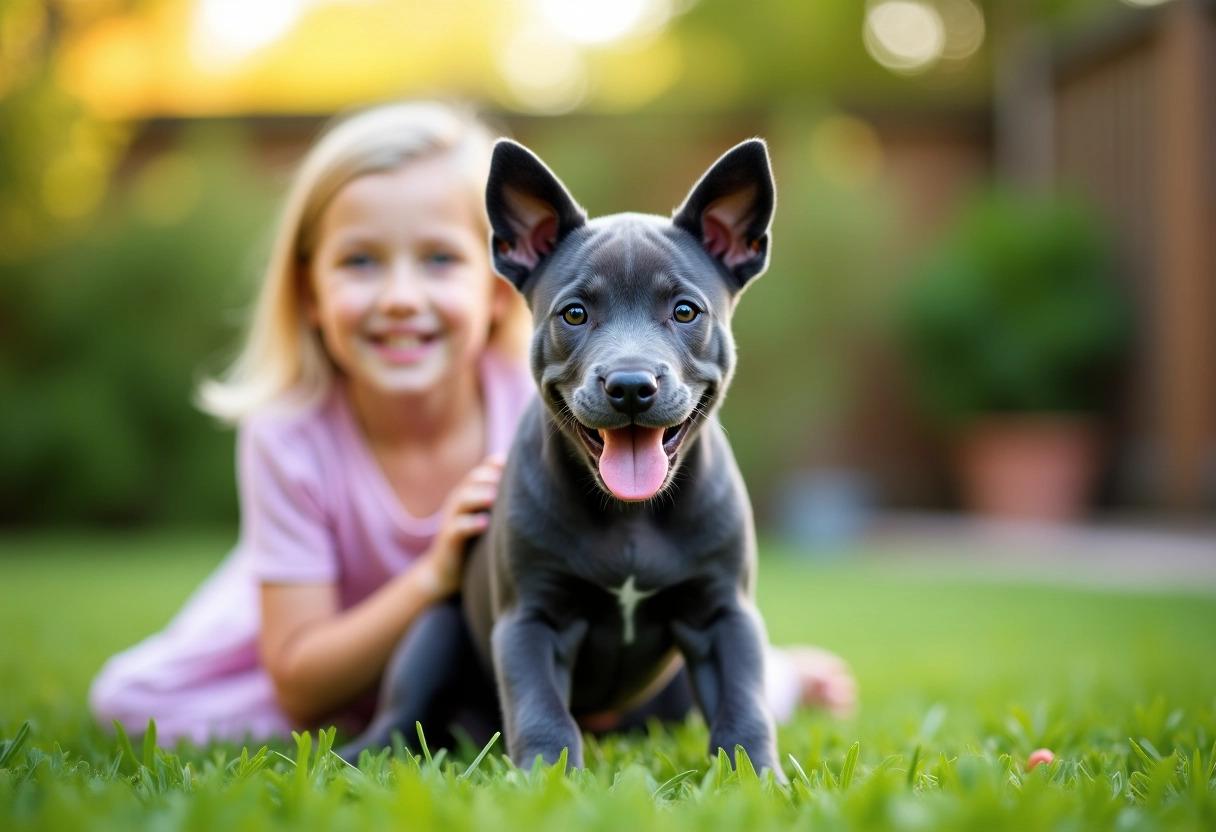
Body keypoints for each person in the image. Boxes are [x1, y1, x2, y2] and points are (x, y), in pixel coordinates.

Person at [89, 101, 855, 747]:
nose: (399, 297)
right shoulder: (291, 436)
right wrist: (435, 574)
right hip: (340, 638)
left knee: (696, 671)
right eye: (360, 262)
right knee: (133, 702)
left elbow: (704, 612)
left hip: (577, 658)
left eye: (436, 260)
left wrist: (770, 680)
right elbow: (309, 679)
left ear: (490, 287)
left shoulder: (507, 391)